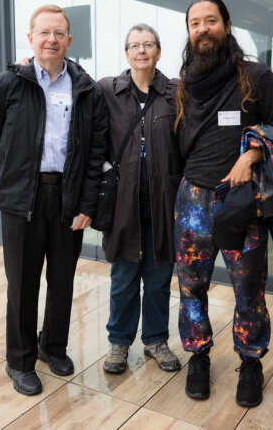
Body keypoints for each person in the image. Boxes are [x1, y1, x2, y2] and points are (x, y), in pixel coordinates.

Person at [173, 0, 273, 407]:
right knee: (191, 287)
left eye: (210, 20)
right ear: (188, 32)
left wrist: (250, 154)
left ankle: (252, 361)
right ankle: (199, 356)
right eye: (195, 23)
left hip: (242, 201)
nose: (203, 28)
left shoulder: (257, 76)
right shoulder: (183, 83)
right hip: (191, 199)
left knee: (249, 288)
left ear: (226, 25)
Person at [0, 4, 108, 396]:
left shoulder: (86, 88)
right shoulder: (8, 83)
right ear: (30, 38)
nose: (51, 39)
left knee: (62, 279)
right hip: (23, 199)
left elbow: (95, 152)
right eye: (44, 32)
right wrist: (14, 174)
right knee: (22, 283)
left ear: (69, 41)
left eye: (59, 33)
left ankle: (52, 346)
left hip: (67, 196)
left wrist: (87, 204)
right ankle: (19, 360)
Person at [99, 24, 183, 374]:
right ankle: (119, 343)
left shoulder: (177, 93)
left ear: (159, 52)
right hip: (123, 204)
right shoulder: (107, 90)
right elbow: (71, 87)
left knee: (160, 276)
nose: (141, 50)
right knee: (123, 277)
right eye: (134, 45)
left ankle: (155, 340)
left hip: (165, 202)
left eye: (148, 44)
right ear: (126, 53)